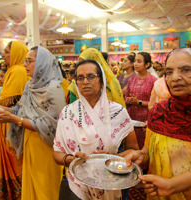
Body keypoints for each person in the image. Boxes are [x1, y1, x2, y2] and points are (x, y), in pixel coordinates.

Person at [53, 59, 139, 200]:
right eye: (80, 78)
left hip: (111, 181)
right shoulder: (68, 113)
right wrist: (73, 160)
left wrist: (112, 158)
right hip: (78, 186)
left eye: (91, 77)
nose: (85, 81)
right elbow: (57, 154)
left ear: (102, 81)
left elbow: (134, 150)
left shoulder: (118, 112)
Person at [0, 46, 66, 200]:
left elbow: (52, 126)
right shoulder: (30, 86)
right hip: (29, 141)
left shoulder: (53, 89)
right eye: (25, 60)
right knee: (30, 188)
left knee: (45, 191)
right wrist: (3, 109)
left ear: (42, 63)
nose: (25, 64)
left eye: (29, 61)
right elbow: (21, 111)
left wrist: (13, 119)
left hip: (47, 147)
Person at [121, 48, 191, 199]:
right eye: (169, 72)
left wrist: (172, 186)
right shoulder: (159, 112)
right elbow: (149, 149)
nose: (175, 78)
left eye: (185, 70)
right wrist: (140, 155)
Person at [0, 41, 29, 199]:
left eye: (7, 52)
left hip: (12, 124)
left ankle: (16, 193)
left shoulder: (17, 71)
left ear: (16, 54)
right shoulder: (17, 70)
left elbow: (9, 102)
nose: (3, 55)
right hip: (11, 121)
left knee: (14, 160)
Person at [125, 52, 157, 149]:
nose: (135, 64)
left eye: (139, 61)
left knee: (144, 148)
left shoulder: (153, 81)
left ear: (147, 65)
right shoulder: (131, 80)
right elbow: (125, 98)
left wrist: (138, 102)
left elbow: (156, 104)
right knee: (131, 148)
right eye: (135, 61)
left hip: (145, 121)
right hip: (131, 119)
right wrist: (129, 100)